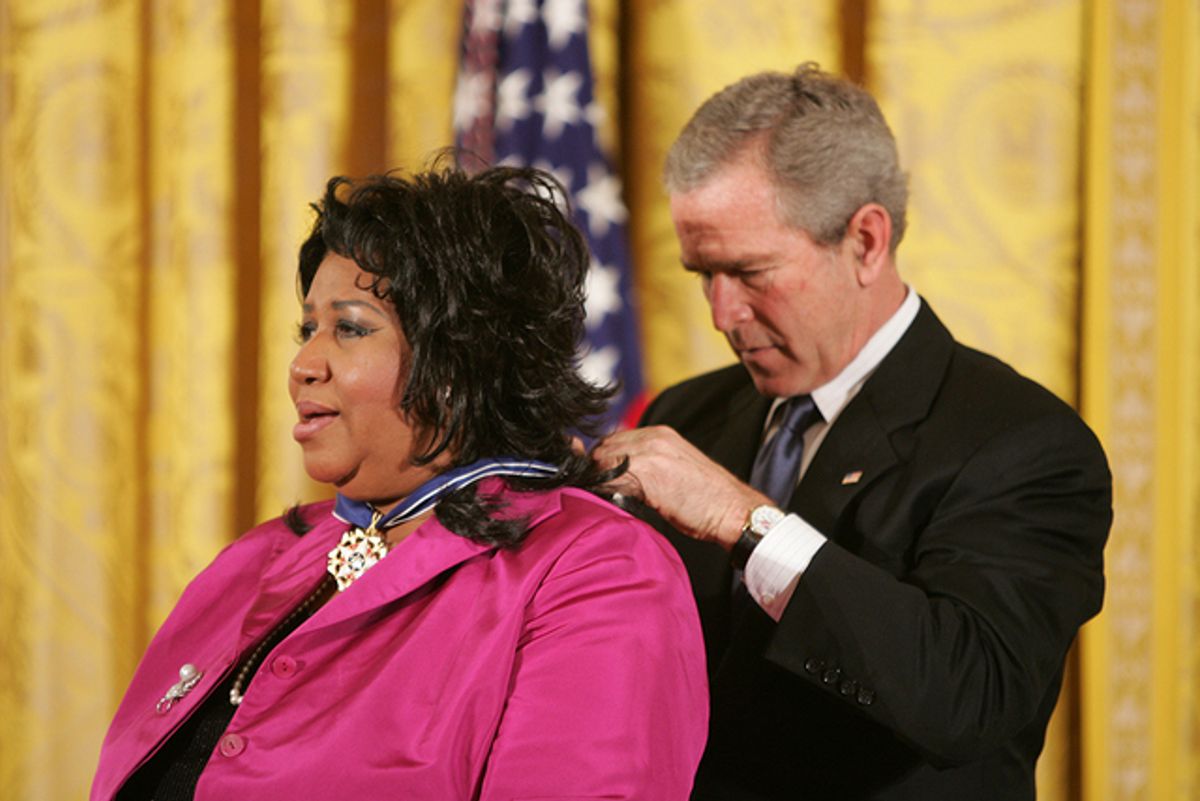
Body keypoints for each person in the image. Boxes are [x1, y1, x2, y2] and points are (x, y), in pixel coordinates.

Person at [90, 164, 708, 801]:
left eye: (350, 328)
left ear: (457, 362)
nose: (303, 364)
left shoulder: (596, 571)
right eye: (308, 330)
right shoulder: (251, 562)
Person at [592, 64, 1111, 800]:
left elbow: (966, 695)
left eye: (749, 271)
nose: (720, 313)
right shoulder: (689, 413)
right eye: (702, 274)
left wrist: (746, 521)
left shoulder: (1023, 443)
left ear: (867, 240)